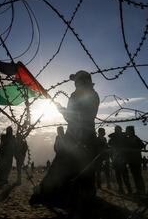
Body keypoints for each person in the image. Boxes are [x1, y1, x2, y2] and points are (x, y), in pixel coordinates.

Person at [30, 70, 100, 215]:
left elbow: (74, 118)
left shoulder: (78, 95)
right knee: (84, 175)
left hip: (76, 139)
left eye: (77, 82)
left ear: (83, 81)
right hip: (87, 138)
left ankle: (49, 196)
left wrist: (60, 108)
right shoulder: (94, 94)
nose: (75, 84)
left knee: (63, 171)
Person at [109, 125, 132, 194]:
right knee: (119, 175)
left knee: (123, 175)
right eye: (117, 130)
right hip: (116, 160)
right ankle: (122, 189)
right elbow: (110, 150)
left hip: (122, 160)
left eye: (119, 130)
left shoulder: (124, 138)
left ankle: (127, 189)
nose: (118, 131)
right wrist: (112, 159)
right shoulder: (112, 139)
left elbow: (128, 149)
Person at [124, 126, 146, 194]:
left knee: (138, 175)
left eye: (127, 130)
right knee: (135, 175)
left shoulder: (135, 138)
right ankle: (139, 190)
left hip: (136, 159)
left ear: (131, 131)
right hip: (131, 160)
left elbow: (142, 146)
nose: (126, 132)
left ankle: (141, 190)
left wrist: (135, 146)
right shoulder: (128, 139)